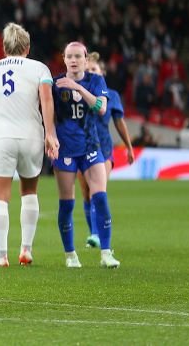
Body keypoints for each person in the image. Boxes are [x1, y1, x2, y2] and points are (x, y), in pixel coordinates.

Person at [0, 23, 59, 267]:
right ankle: (26, 250)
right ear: (27, 47)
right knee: (29, 193)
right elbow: (46, 100)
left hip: (1, 136)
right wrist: (51, 134)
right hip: (31, 135)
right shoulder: (40, 68)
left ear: (4, 47)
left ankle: (1, 255)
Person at [52, 41, 120, 269]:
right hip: (65, 151)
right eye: (69, 56)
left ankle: (106, 253)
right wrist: (49, 137)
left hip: (91, 147)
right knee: (67, 204)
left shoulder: (96, 81)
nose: (73, 60)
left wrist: (79, 88)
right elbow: (48, 115)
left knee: (99, 198)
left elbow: (101, 108)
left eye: (77, 56)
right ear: (64, 58)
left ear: (85, 59)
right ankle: (70, 255)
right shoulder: (55, 84)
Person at [78, 52, 134, 249]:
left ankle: (95, 234)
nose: (91, 72)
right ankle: (93, 232)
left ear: (101, 73)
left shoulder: (112, 95)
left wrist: (128, 146)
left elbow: (119, 122)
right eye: (88, 70)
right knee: (85, 193)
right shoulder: (78, 95)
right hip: (81, 147)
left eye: (94, 69)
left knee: (97, 190)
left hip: (104, 148)